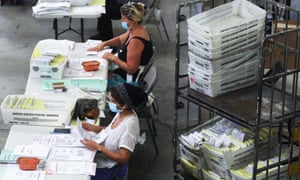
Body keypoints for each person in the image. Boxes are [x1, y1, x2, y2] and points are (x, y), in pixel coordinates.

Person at [80, 83, 147, 180]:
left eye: (113, 101)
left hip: (108, 167)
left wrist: (98, 148)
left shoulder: (129, 127)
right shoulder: (122, 113)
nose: (110, 101)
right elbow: (111, 131)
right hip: (99, 157)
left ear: (124, 105)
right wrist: (93, 128)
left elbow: (123, 158)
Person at [88, 2, 154, 85]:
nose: (121, 20)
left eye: (123, 18)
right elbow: (120, 40)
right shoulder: (136, 29)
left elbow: (131, 69)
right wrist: (104, 43)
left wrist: (113, 58)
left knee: (96, 80)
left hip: (129, 78)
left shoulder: (135, 41)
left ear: (132, 20)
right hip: (123, 70)